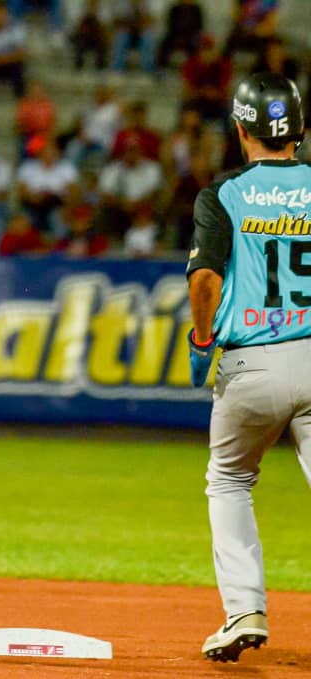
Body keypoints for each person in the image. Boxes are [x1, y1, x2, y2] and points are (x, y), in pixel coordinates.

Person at [186, 72, 307, 663]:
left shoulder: (224, 193)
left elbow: (206, 275)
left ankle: (245, 611)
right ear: (300, 129)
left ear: (240, 129)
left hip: (251, 361)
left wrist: (202, 335)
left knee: (230, 480)